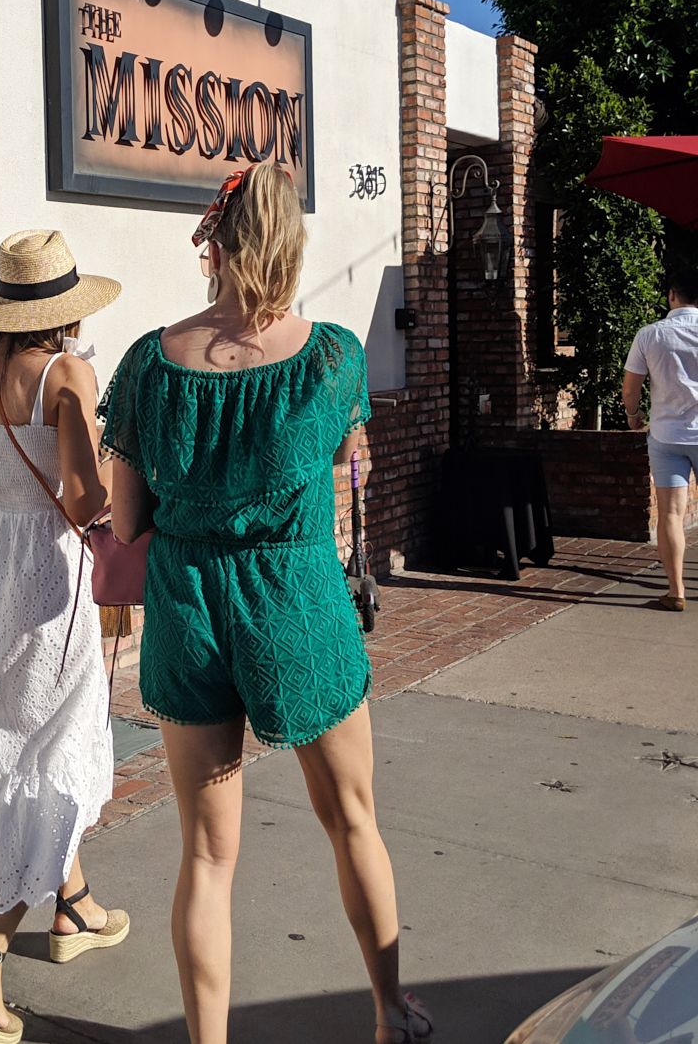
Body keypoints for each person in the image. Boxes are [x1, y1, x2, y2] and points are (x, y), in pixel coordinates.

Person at [98, 165, 431, 1044]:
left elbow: (126, 518)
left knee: (207, 858)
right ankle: (389, 1012)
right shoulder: (329, 358)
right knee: (352, 816)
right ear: (290, 240)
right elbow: (342, 463)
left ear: (217, 241)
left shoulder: (145, 364)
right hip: (295, 600)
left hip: (187, 608)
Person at [0, 229, 130, 1044]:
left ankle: (73, 908)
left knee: (12, 739)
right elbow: (83, 501)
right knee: (53, 755)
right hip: (51, 574)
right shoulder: (69, 374)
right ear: (65, 310)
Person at [622, 266, 698, 612]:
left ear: (672, 295)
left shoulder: (650, 335)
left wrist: (633, 415)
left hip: (666, 434)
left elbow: (630, 387)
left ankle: (676, 591)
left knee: (670, 513)